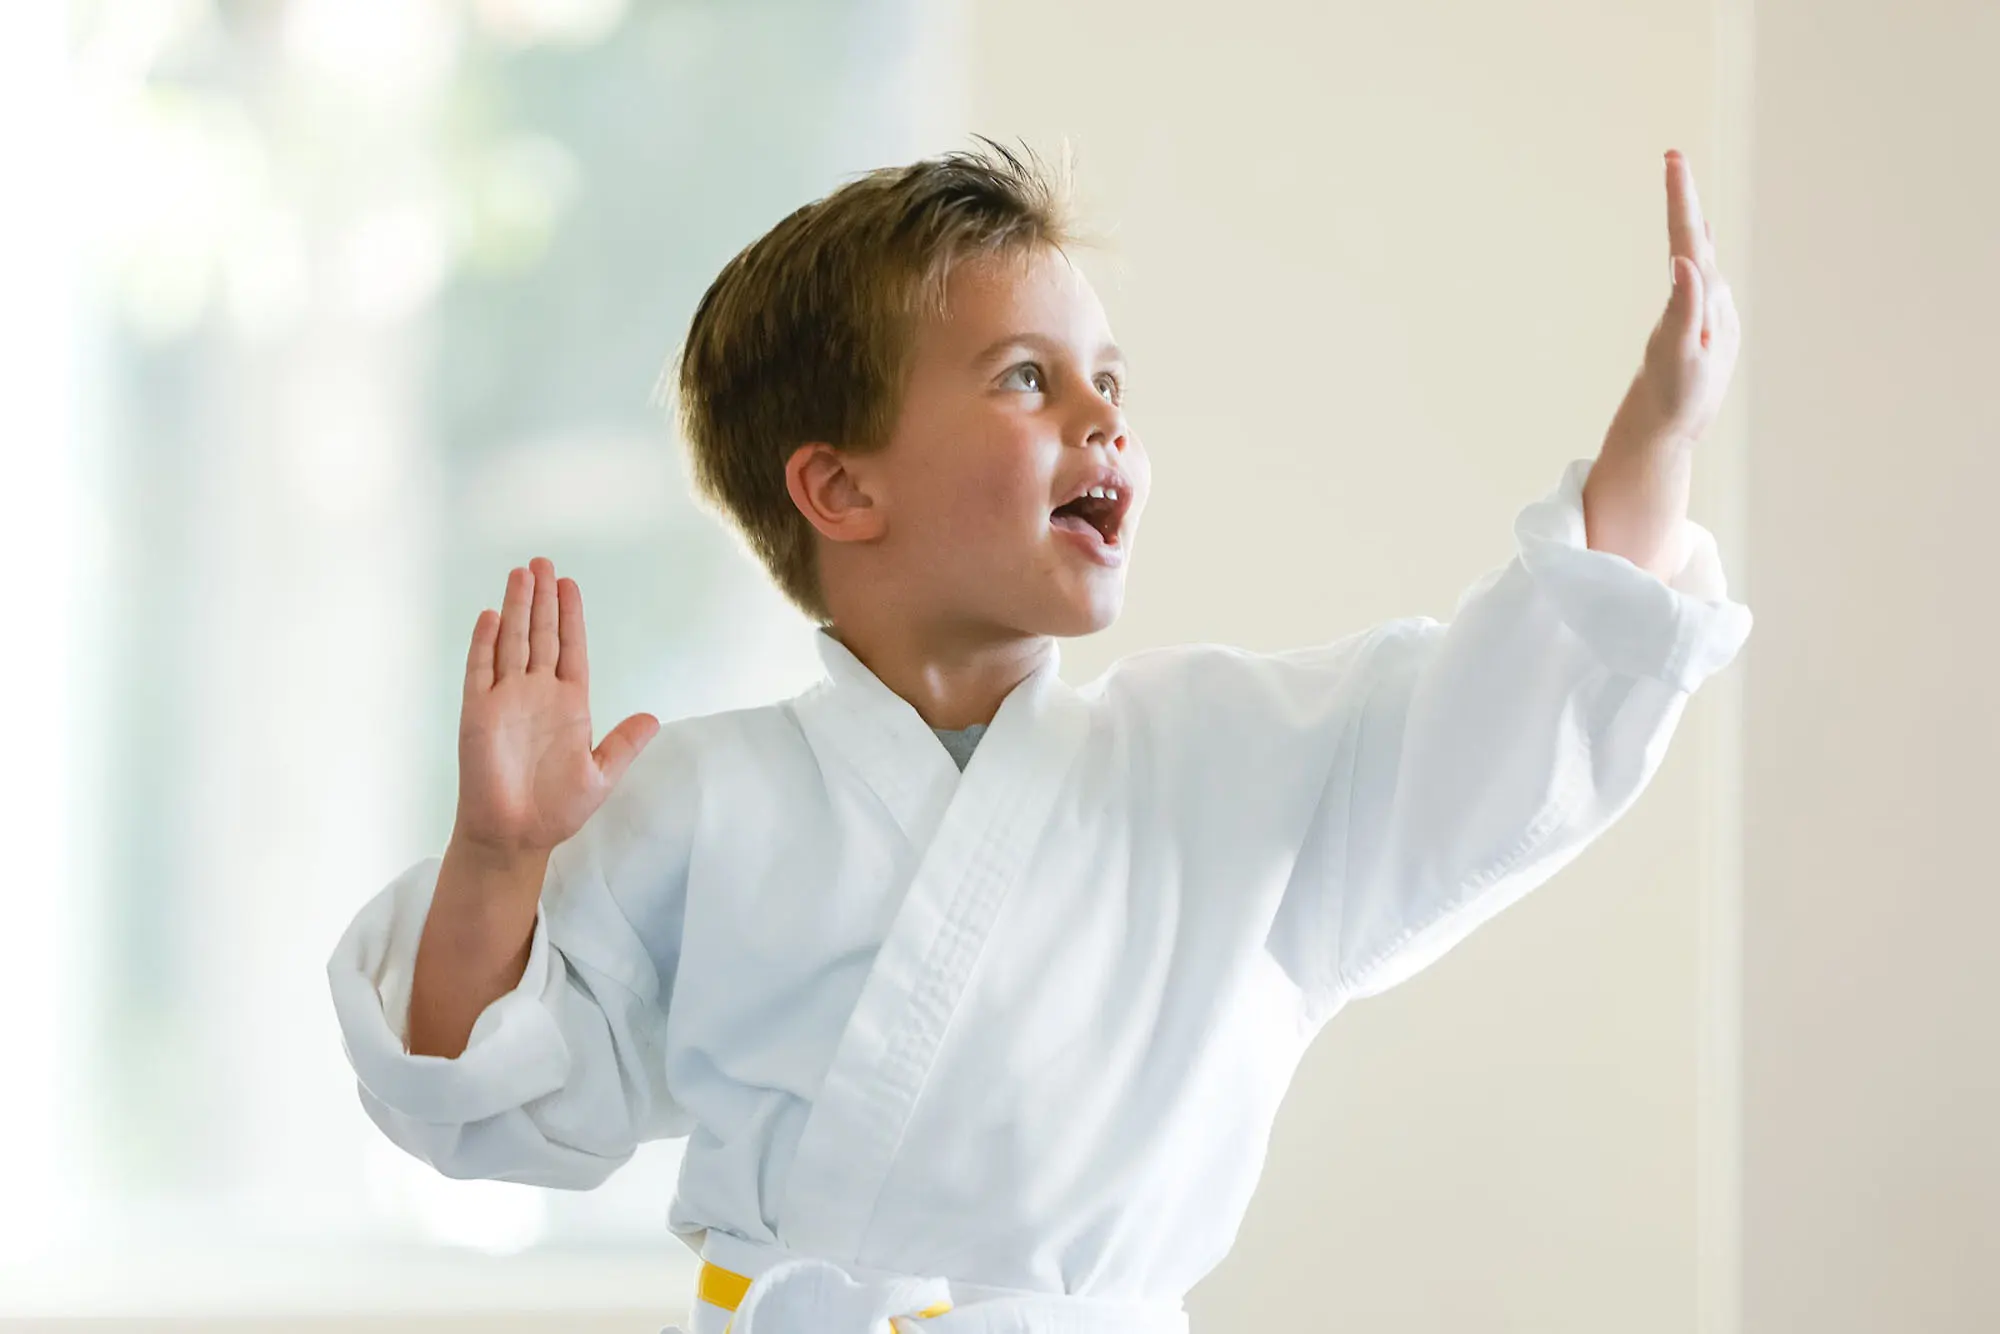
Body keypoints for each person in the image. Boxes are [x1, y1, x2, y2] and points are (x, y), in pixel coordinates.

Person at [327, 140, 1751, 1334]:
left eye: (1110, 381)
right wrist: (503, 862)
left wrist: (1656, 445)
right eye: (1026, 378)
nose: (1102, 420)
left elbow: (1505, 718)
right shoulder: (696, 797)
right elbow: (485, 1097)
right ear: (837, 485)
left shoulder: (1226, 763)